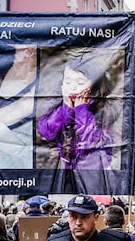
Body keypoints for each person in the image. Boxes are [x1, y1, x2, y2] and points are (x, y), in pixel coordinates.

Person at [38, 56, 116, 193]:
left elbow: (91, 141)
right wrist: (67, 108)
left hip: (91, 172)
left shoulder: (103, 108)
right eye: (67, 82)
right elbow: (48, 132)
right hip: (64, 170)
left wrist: (81, 110)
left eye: (80, 83)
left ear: (93, 85)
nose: (72, 88)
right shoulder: (57, 103)